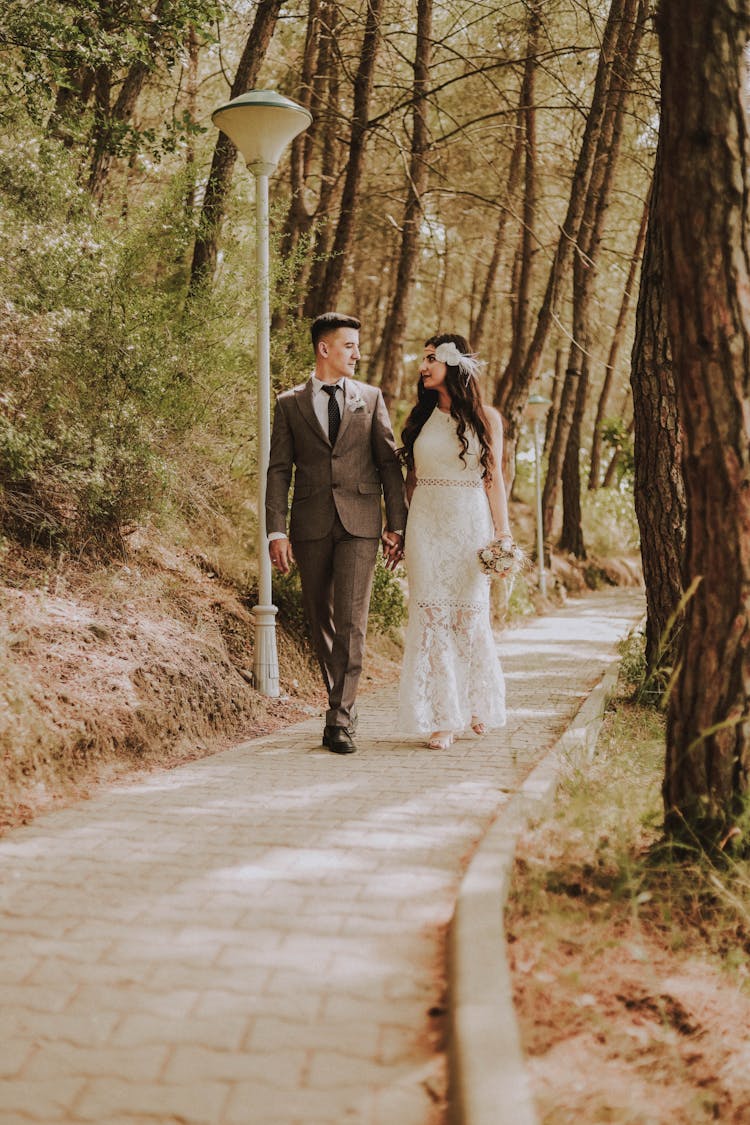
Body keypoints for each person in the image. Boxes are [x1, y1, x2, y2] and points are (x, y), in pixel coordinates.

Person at [266, 312, 407, 755]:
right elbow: (278, 469)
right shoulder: (289, 403)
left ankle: (340, 719)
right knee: (319, 618)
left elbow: (387, 462)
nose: (357, 354)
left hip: (360, 524)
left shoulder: (370, 397)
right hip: (309, 524)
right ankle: (340, 699)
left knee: (351, 623)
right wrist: (275, 530)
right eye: (349, 346)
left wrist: (396, 522)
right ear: (324, 348)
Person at [397, 333, 511, 750]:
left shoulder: (487, 419)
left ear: (453, 364)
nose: (423, 367)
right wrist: (400, 529)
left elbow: (494, 479)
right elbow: (409, 481)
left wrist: (503, 534)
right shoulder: (419, 420)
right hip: (425, 527)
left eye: (430, 359)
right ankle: (443, 717)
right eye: (423, 359)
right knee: (431, 618)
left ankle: (477, 704)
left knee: (468, 617)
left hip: (469, 525)